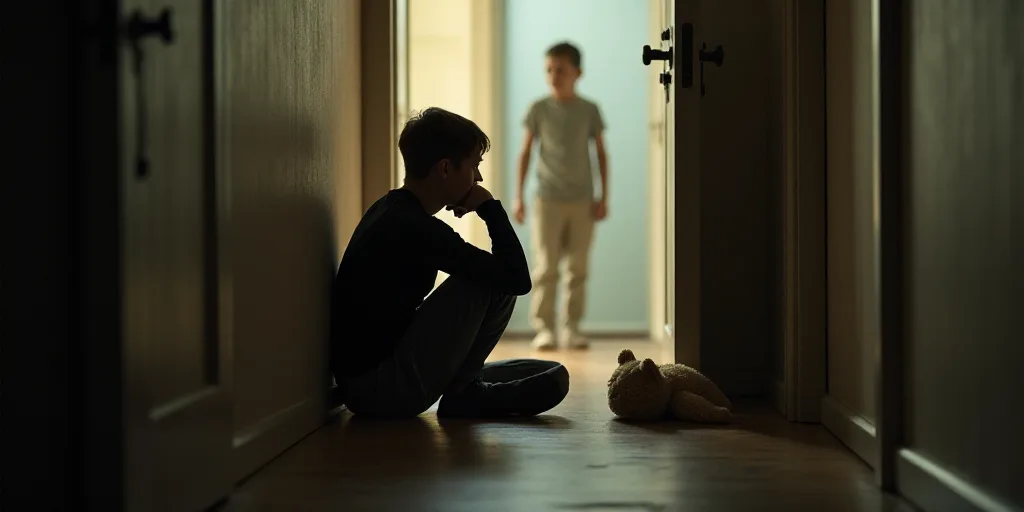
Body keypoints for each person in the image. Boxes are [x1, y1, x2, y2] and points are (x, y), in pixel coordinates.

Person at [331, 107, 570, 419]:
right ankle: (463, 393)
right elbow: (517, 278)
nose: (479, 178)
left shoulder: (391, 209)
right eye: (474, 166)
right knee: (491, 282)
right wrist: (489, 207)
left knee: (496, 283)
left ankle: (465, 388)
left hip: (367, 384)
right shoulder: (415, 228)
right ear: (445, 169)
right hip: (380, 391)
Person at [514, 42, 609, 351]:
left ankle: (572, 328)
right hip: (547, 198)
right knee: (546, 267)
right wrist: (519, 197)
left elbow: (600, 153)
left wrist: (603, 196)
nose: (554, 75)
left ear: (577, 72)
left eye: (561, 70)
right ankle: (545, 329)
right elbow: (526, 151)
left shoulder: (589, 109)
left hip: (582, 200)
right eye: (549, 70)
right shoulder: (538, 109)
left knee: (578, 268)